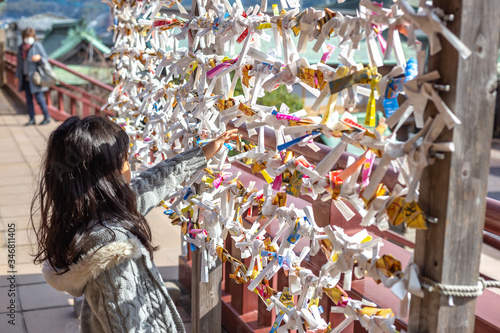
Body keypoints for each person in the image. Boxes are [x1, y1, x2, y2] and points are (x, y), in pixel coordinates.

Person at [30, 116, 237, 332]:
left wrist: (201, 154)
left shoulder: (90, 214)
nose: (131, 168)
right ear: (105, 177)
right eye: (125, 161)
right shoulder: (114, 256)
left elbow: (152, 183)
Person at [15, 28, 51, 126]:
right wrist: (17, 76)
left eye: (30, 37)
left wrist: (39, 58)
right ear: (23, 38)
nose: (28, 39)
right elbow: (19, 64)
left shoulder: (37, 46)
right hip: (25, 77)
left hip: (35, 78)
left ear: (33, 37)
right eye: (26, 37)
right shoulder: (21, 48)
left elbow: (45, 59)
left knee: (39, 98)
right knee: (29, 99)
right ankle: (32, 118)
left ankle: (47, 117)